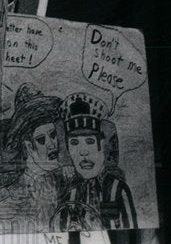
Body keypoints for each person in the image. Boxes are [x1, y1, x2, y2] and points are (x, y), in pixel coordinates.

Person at [52, 93, 136, 231]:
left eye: (90, 141)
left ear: (103, 145)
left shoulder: (117, 189)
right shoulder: (69, 192)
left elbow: (131, 229)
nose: (83, 152)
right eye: (74, 143)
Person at [0, 84, 66, 230]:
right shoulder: (10, 196)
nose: (52, 145)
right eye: (41, 140)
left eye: (53, 135)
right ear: (29, 146)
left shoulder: (59, 182)